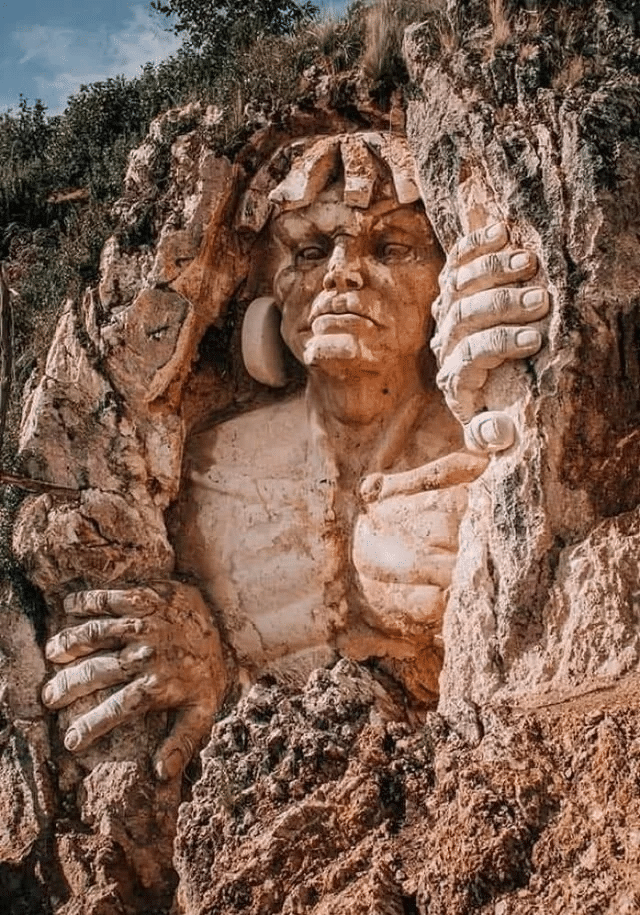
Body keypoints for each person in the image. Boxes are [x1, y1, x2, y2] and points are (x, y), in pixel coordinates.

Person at [40, 133, 549, 780]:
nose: (341, 272)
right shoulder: (207, 468)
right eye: (309, 250)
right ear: (270, 294)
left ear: (444, 286)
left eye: (391, 247)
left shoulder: (489, 447)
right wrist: (204, 655)